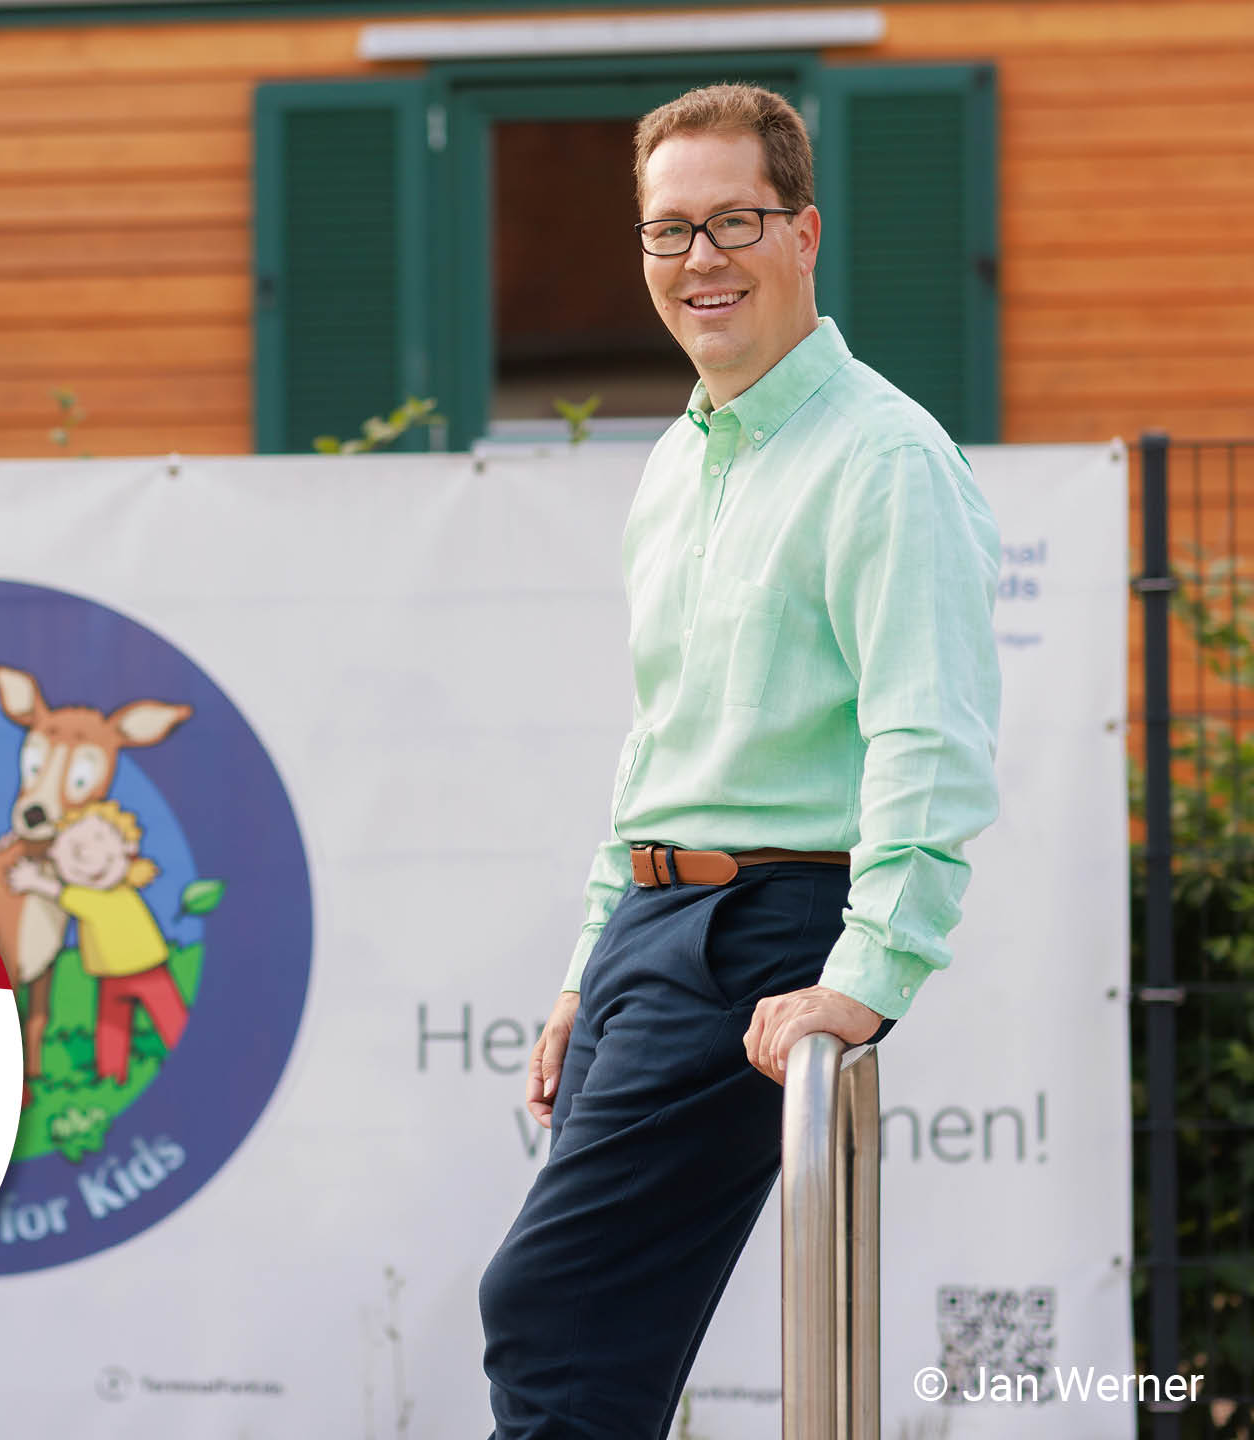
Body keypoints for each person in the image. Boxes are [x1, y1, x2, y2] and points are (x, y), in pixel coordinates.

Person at [477, 83, 1002, 1439]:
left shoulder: (886, 458)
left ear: (804, 232)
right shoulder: (679, 459)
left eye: (733, 222)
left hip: (762, 930)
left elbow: (929, 736)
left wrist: (864, 982)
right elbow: (660, 739)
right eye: (669, 231)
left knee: (550, 1311)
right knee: (591, 1352)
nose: (698, 259)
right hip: (652, 931)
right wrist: (588, 963)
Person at [8, 800, 189, 1085]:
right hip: (110, 974)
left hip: (146, 969)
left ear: (126, 851)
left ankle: (191, 1054)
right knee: (111, 1026)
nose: (86, 855)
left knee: (171, 1018)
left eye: (98, 841)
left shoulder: (106, 896)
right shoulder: (101, 891)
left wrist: (33, 882)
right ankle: (111, 1075)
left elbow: (69, 898)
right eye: (73, 849)